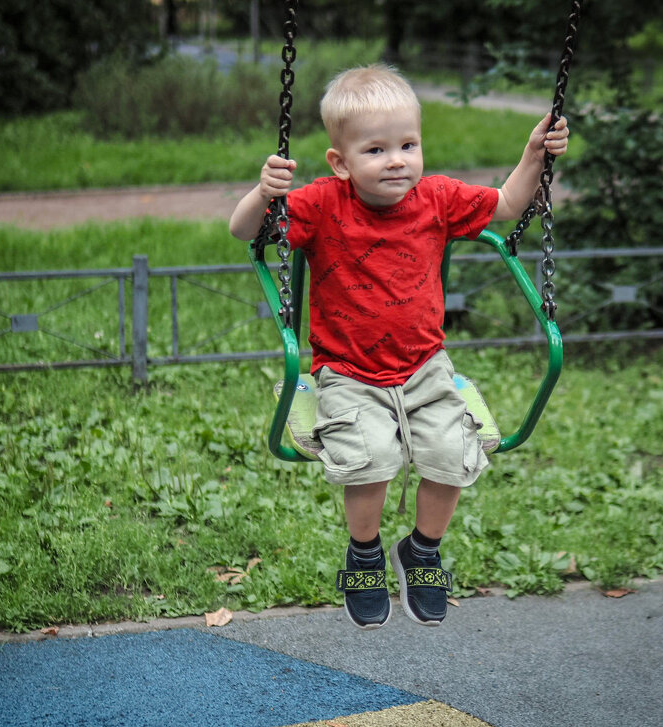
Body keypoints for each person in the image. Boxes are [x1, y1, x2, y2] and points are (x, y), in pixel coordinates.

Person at [230, 64, 568, 630]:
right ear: (341, 163)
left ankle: (423, 550)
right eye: (376, 149)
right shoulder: (320, 204)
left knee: (451, 457)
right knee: (372, 462)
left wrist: (536, 153)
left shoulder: (437, 198)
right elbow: (246, 233)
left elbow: (509, 204)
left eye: (408, 145)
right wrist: (264, 193)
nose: (396, 160)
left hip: (425, 366)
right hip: (347, 371)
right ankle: (364, 555)